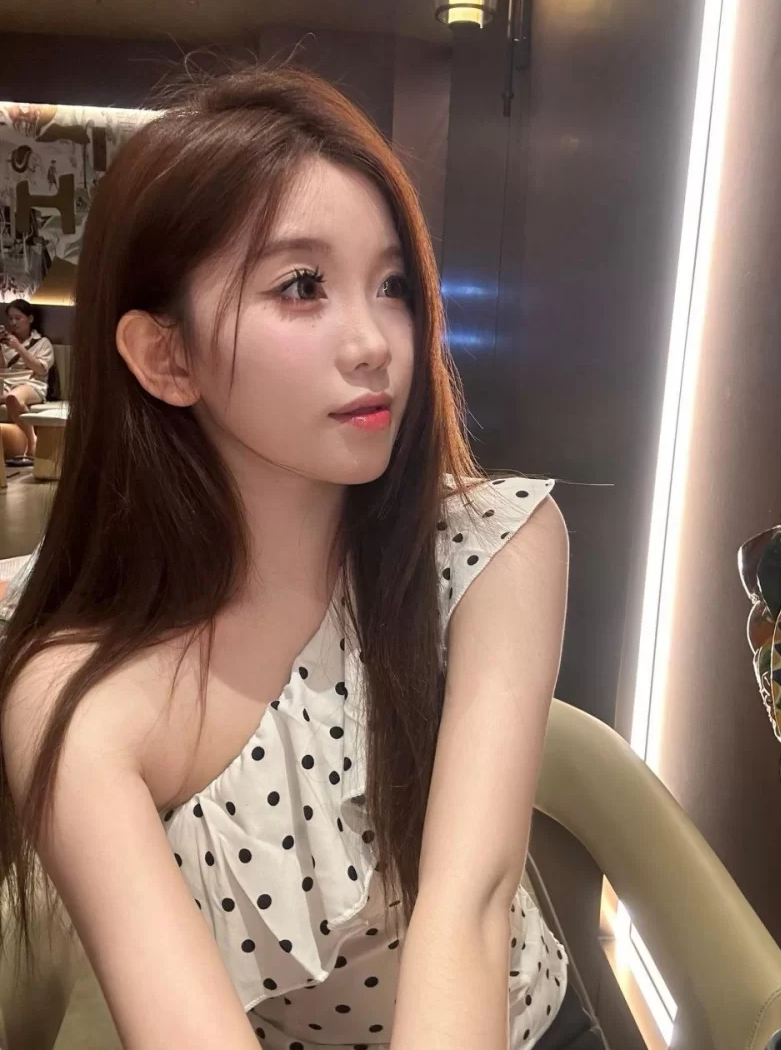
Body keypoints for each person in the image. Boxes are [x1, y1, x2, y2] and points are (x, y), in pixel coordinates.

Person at [0, 66, 570, 1050]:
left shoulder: (489, 546)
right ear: (166, 357)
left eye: (392, 285)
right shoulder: (77, 693)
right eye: (302, 286)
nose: (375, 342)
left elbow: (470, 910)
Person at [0, 298, 55, 467]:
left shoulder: (42, 342)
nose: (13, 322)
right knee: (10, 395)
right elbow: (2, 368)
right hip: (6, 382)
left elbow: (40, 369)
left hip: (32, 384)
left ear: (30, 319)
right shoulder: (6, 342)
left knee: (13, 398)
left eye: (18, 318)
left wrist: (19, 347)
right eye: (10, 318)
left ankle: (32, 440)